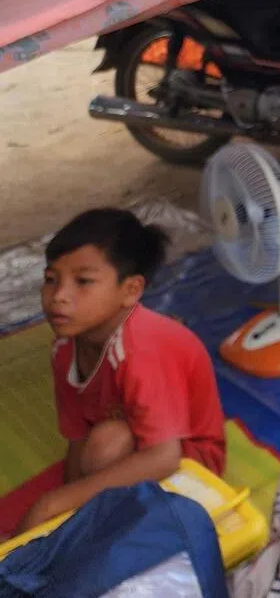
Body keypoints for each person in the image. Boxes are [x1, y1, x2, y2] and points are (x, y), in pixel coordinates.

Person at [18, 208, 225, 534]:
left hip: (191, 464)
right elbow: (77, 438)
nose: (58, 296)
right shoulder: (64, 350)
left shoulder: (140, 350)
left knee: (106, 445)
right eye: (51, 279)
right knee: (95, 452)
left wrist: (51, 505)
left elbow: (165, 457)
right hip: (134, 439)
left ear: (130, 291)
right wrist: (64, 513)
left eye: (83, 281)